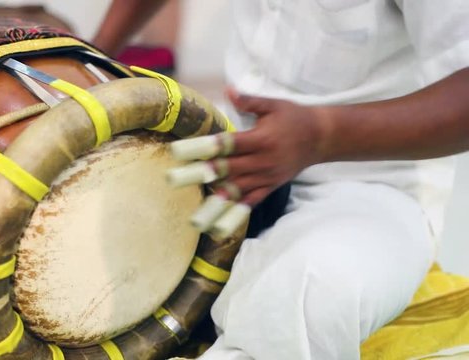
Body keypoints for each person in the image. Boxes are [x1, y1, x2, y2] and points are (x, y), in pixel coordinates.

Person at [94, 1, 469, 359]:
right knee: (96, 226)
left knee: (310, 295)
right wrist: (95, 57)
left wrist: (322, 135)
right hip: (236, 150)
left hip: (371, 184)